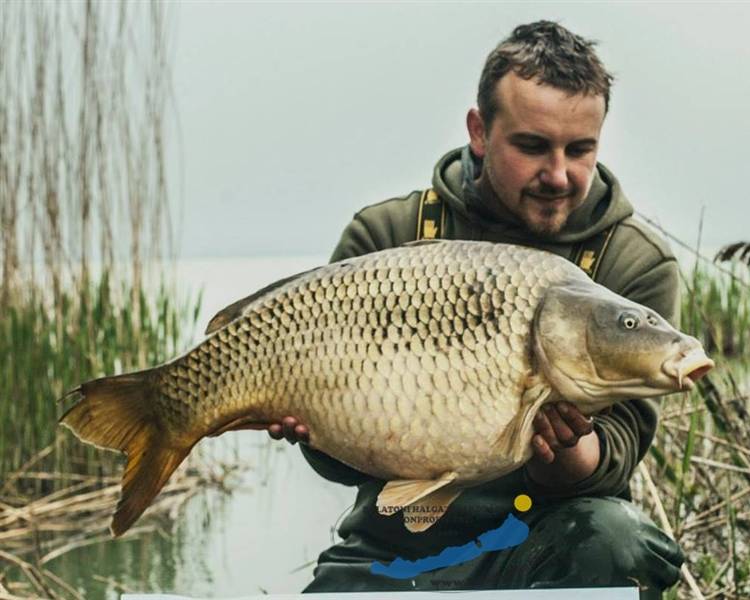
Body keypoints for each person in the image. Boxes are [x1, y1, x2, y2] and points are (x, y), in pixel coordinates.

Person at [269, 21, 685, 598]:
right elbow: (345, 465)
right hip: (396, 543)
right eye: (533, 146)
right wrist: (315, 431)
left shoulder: (635, 264)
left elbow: (616, 456)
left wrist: (564, 446)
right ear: (480, 132)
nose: (559, 174)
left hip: (557, 536)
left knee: (621, 543)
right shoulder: (386, 235)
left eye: (580, 149)